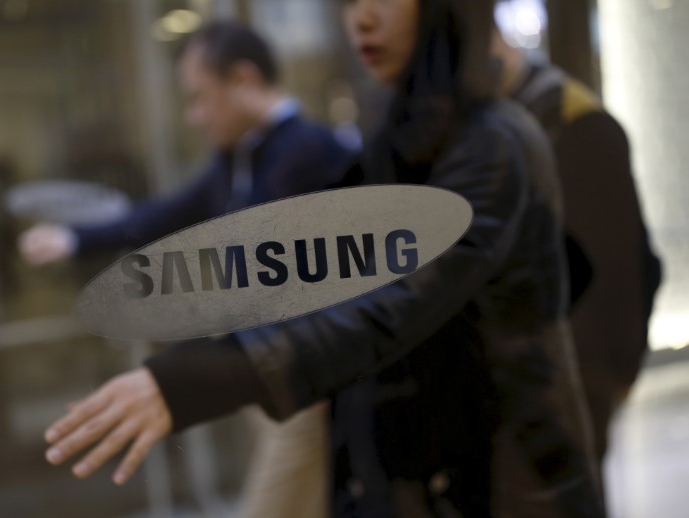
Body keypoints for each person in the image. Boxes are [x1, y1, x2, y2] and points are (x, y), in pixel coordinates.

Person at [41, 1, 605, 516]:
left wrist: (190, 379)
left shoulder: (489, 143)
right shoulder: (397, 141)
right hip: (415, 468)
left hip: (502, 481)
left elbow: (387, 305)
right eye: (349, 1)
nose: (359, 18)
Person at [18, 22, 352, 266]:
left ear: (241, 79)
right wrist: (74, 239)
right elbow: (165, 214)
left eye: (198, 98)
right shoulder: (242, 156)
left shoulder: (308, 152)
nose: (194, 117)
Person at [491, 19, 662, 463]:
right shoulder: (504, 117)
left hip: (568, 386)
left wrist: (610, 375)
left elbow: (619, 267)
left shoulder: (570, 121)